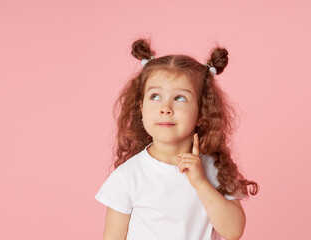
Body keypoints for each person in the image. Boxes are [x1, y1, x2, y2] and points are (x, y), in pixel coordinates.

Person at [95, 38, 259, 240]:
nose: (165, 108)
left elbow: (233, 231)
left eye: (180, 98)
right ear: (141, 108)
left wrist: (200, 182)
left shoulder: (215, 169)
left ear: (201, 112)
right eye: (155, 96)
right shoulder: (129, 176)